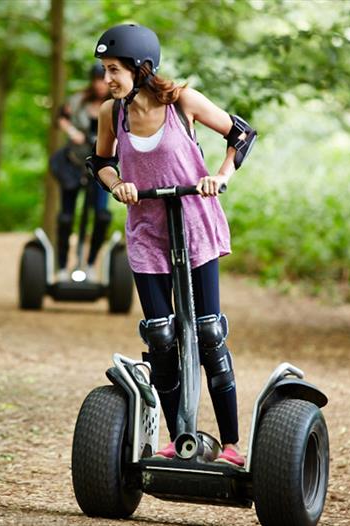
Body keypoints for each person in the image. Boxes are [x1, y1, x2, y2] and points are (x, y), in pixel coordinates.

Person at [87, 24, 256, 466]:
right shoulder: (112, 113)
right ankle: (180, 437)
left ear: (141, 68)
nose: (107, 79)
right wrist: (117, 184)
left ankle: (231, 445)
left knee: (208, 331)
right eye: (105, 70)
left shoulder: (182, 102)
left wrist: (220, 176)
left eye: (113, 70)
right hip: (147, 232)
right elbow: (100, 162)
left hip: (195, 224)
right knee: (161, 336)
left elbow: (241, 134)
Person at [50, 64, 111, 281]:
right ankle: (62, 266)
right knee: (66, 218)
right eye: (96, 80)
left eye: (103, 80)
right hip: (74, 165)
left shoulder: (117, 104)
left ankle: (91, 263)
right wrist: (72, 131)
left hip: (101, 169)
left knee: (102, 216)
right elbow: (61, 117)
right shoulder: (78, 101)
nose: (100, 84)